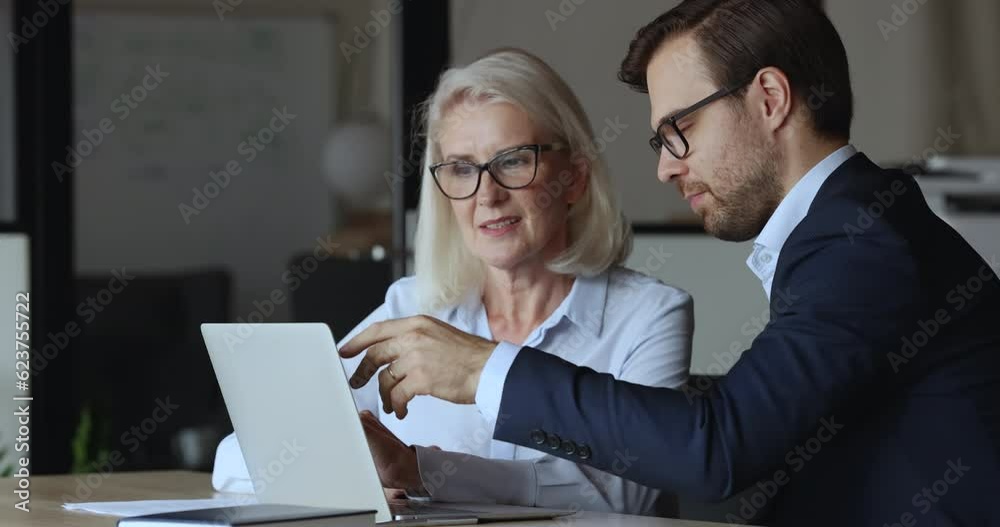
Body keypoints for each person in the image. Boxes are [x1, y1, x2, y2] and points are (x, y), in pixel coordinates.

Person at [340, 1, 1000, 526]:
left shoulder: (861, 242)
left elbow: (718, 447)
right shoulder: (843, 231)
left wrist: (483, 368)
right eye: (660, 140)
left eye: (679, 129)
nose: (664, 165)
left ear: (769, 99)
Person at [212, 48, 694, 517]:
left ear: (573, 179)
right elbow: (238, 456)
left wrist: (420, 468)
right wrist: (347, 473)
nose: (487, 195)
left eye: (513, 160)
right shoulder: (411, 306)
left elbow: (623, 495)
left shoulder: (650, 315)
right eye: (462, 168)